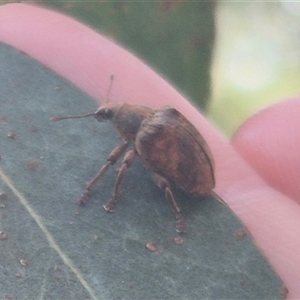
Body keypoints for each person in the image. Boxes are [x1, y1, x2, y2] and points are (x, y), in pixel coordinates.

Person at [1, 3, 299, 298]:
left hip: (194, 181)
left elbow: (115, 166)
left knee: (138, 172)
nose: (105, 115)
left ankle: (178, 215)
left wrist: (109, 196)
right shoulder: (162, 114)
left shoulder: (146, 138)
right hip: (200, 164)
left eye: (108, 114)